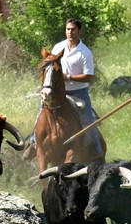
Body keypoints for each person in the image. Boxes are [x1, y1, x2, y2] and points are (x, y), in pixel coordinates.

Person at [23, 18, 104, 160]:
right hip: (57, 91)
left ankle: (96, 150)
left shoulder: (84, 53)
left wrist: (68, 77)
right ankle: (34, 143)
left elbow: (88, 77)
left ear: (79, 31)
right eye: (68, 29)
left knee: (88, 120)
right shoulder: (58, 47)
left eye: (73, 29)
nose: (70, 32)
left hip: (78, 92)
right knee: (41, 113)